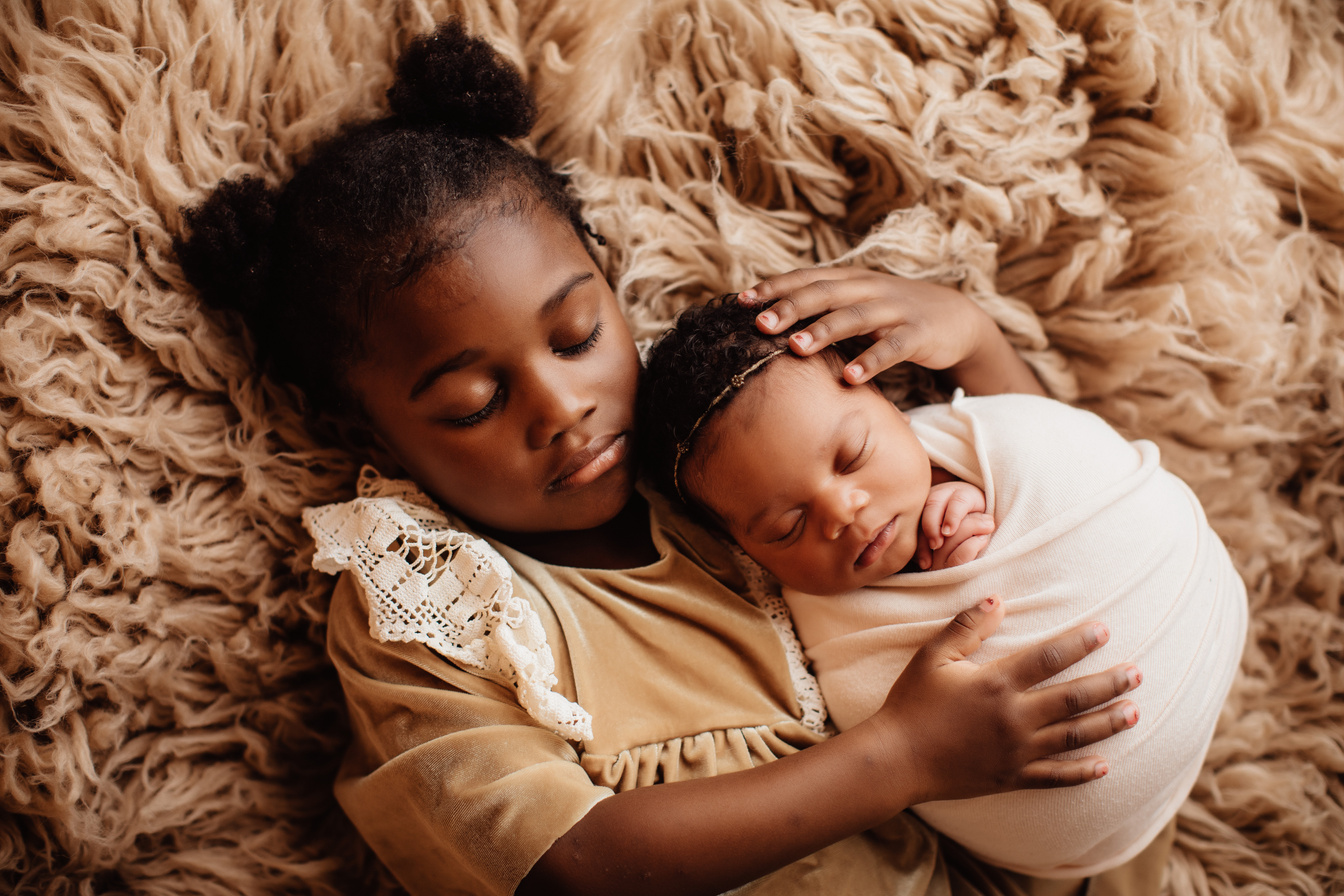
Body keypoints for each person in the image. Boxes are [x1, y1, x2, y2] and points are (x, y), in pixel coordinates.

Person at [174, 19, 1156, 896]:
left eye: (574, 336)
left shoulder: (727, 430)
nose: (564, 408)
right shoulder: (425, 605)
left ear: (608, 280)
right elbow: (571, 861)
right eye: (474, 403)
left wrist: (973, 340)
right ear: (370, 429)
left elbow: (1059, 512)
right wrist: (900, 756)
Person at [637, 295, 1248, 878]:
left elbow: (1050, 438)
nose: (844, 510)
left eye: (853, 455)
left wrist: (958, 486)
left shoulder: (962, 439)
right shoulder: (809, 623)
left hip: (1193, 611)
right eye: (788, 526)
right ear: (747, 553)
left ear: (883, 398)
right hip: (1055, 851)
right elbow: (872, 702)